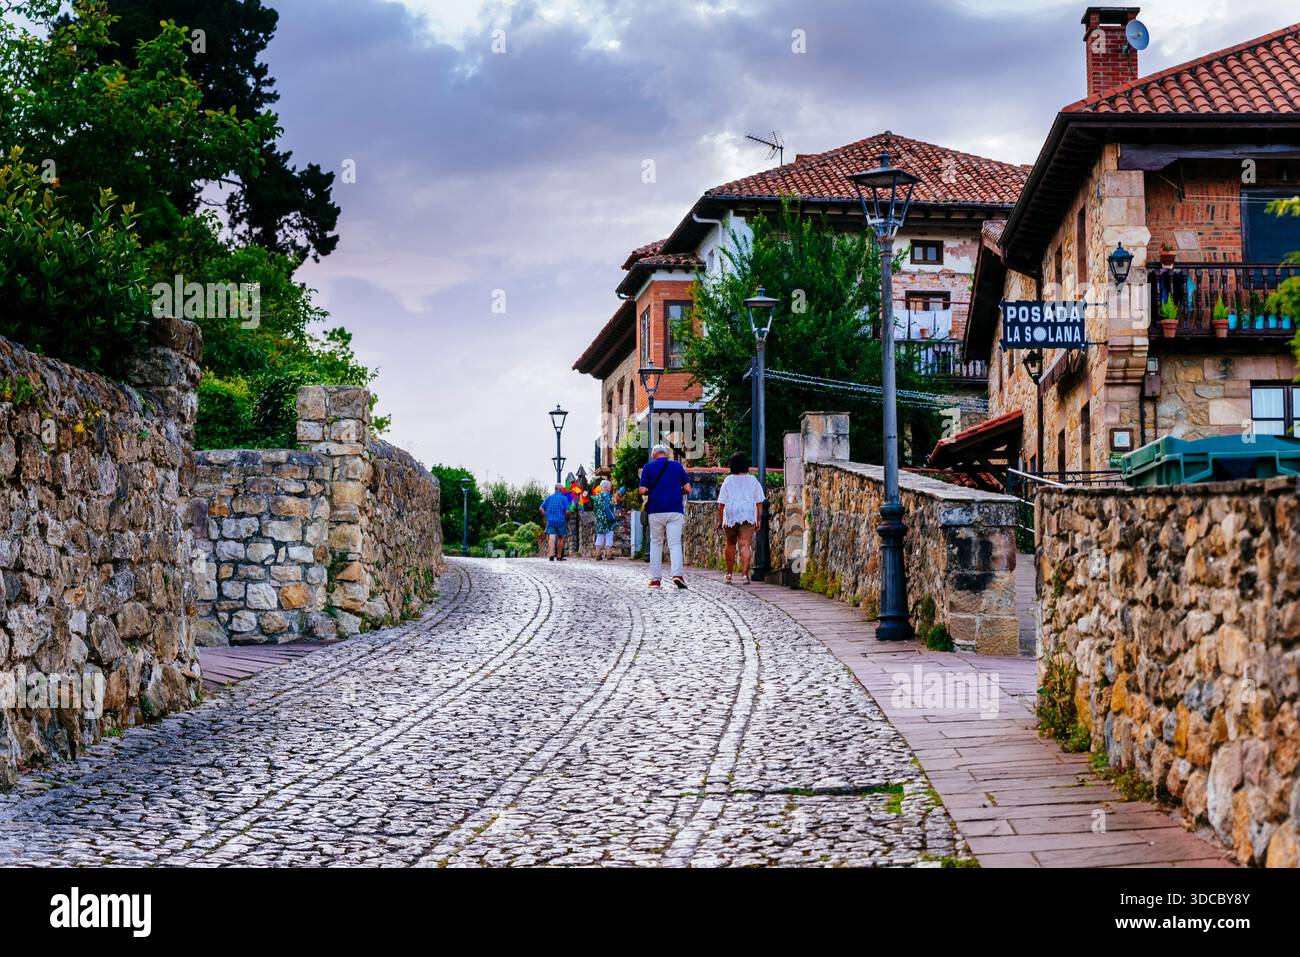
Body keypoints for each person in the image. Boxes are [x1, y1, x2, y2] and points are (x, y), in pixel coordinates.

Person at [638, 444, 691, 588]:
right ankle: (677, 575)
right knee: (674, 543)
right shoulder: (677, 466)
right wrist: (676, 491)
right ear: (666, 454)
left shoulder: (648, 468)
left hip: (655, 511)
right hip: (674, 510)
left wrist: (651, 489)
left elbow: (642, 490)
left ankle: (655, 579)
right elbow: (688, 488)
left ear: (654, 455)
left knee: (656, 543)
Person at [715, 451, 766, 584]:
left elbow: (721, 503)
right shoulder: (752, 480)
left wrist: (721, 520)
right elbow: (759, 501)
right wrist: (759, 519)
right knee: (745, 544)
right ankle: (744, 575)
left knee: (730, 543)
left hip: (731, 513)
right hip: (747, 513)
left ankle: (729, 574)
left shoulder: (728, 481)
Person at [539, 483, 572, 561]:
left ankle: (551, 555)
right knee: (561, 538)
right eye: (562, 488)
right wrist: (567, 518)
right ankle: (559, 556)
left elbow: (541, 508)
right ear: (559, 489)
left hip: (550, 520)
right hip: (561, 520)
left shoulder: (549, 498)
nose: (563, 489)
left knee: (551, 536)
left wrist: (545, 515)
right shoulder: (564, 498)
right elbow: (567, 512)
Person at [592, 479, 617, 561]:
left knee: (600, 535)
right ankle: (608, 553)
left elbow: (595, 509)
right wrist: (612, 517)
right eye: (610, 487)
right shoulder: (606, 495)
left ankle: (597, 554)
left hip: (599, 519)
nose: (610, 488)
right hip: (607, 518)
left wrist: (598, 517)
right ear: (606, 487)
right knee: (609, 534)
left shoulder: (597, 496)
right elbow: (608, 507)